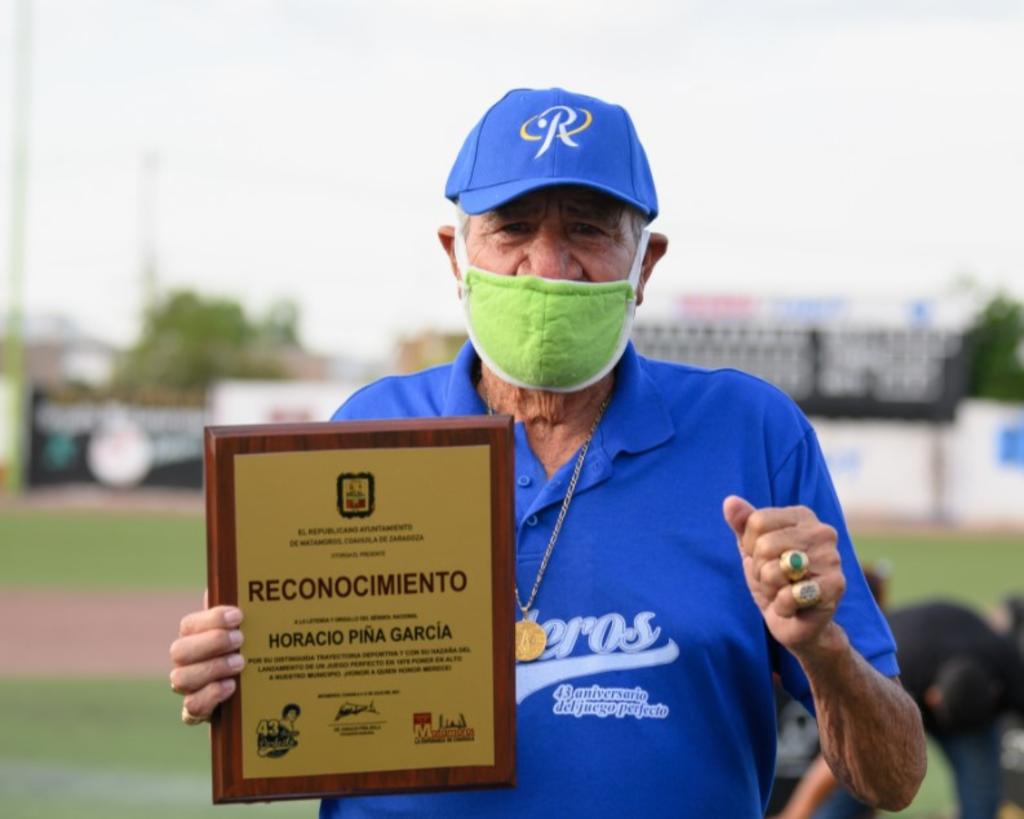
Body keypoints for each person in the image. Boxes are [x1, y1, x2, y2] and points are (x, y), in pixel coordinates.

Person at [169, 87, 926, 817]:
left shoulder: (750, 432)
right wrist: (237, 672)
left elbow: (893, 779)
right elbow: (302, 712)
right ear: (456, 255)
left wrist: (824, 649)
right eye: (512, 228)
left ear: (645, 264)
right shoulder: (370, 428)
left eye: (588, 230)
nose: (549, 266)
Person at [776, 600, 1024, 819]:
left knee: (982, 799)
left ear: (995, 693)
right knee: (854, 784)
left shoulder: (1012, 672)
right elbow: (840, 756)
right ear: (933, 697)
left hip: (971, 710)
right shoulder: (888, 672)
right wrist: (796, 814)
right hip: (900, 682)